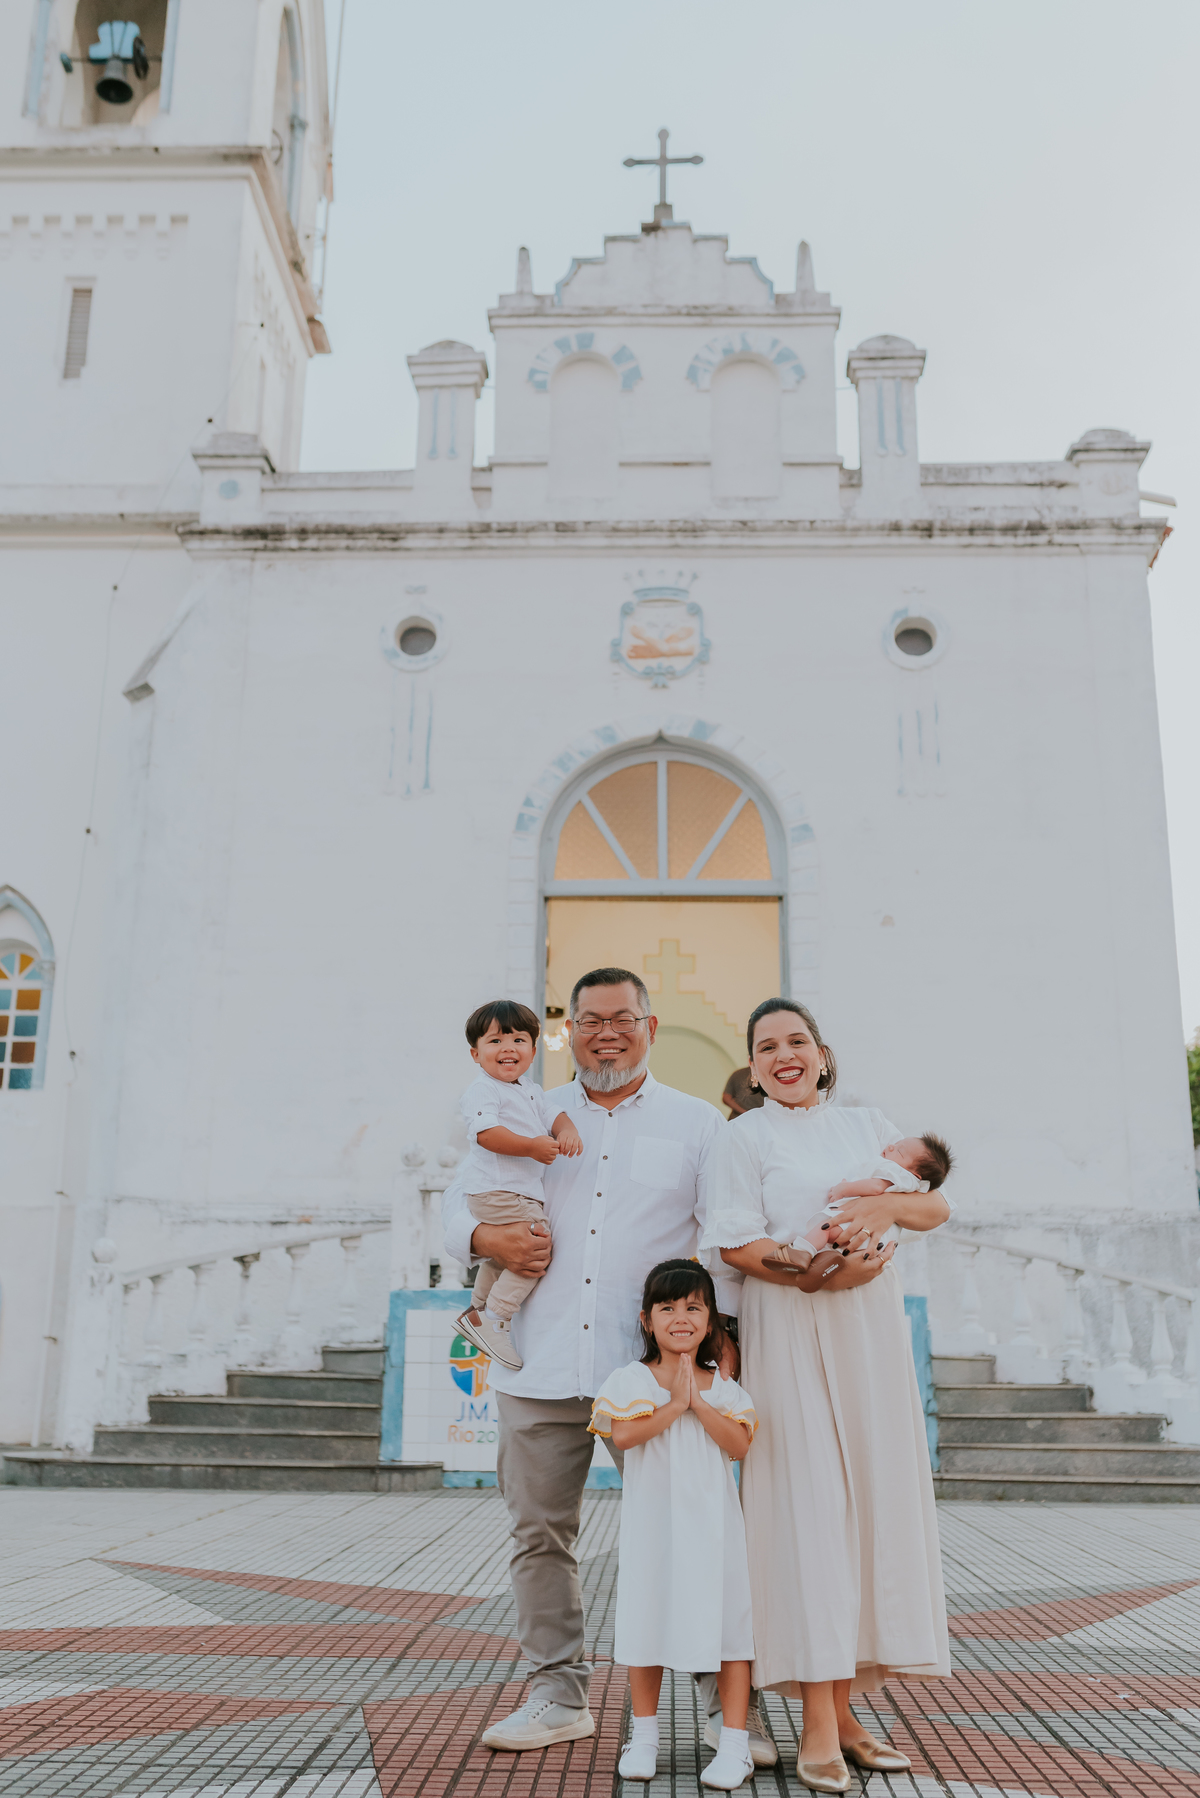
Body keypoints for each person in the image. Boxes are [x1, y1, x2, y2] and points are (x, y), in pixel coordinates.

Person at [440, 968, 777, 1766]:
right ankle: (558, 1694)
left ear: (650, 1028)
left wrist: (723, 1333)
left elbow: (721, 1236)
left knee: (694, 1527)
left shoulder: (699, 1125)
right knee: (538, 1536)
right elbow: (458, 1206)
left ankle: (719, 1702)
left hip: (653, 1375)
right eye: (589, 1021)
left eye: (622, 1018)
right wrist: (487, 1242)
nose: (605, 1033)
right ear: (570, 1032)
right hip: (539, 1363)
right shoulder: (529, 1109)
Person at [701, 999, 952, 1796]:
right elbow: (734, 1241)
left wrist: (881, 1211)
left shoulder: (869, 1123)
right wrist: (813, 1268)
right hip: (791, 1327)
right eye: (767, 1046)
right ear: (752, 1064)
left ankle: (844, 1715)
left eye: (797, 1041)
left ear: (823, 1053)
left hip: (869, 1338)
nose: (784, 1054)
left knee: (866, 1515)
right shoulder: (742, 1137)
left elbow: (934, 1204)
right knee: (807, 1516)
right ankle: (815, 1722)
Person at [590, 1260, 757, 1791]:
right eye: (667, 1308)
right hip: (654, 1530)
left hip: (716, 1531)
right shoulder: (631, 1379)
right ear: (646, 1319)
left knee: (732, 1631)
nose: (680, 1317)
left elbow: (739, 1444)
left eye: (693, 1307)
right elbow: (624, 1437)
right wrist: (675, 1403)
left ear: (711, 1321)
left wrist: (699, 1403)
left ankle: (734, 1744)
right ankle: (643, 1737)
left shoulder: (723, 1386)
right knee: (645, 1626)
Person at [453, 999, 583, 1370]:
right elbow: (487, 1135)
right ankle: (495, 1318)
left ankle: (477, 1310)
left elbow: (552, 1113)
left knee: (504, 1255)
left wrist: (566, 1129)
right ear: (476, 1054)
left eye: (518, 1039)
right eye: (495, 1041)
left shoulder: (528, 1089)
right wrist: (531, 1146)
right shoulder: (483, 1091)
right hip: (498, 1190)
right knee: (535, 1246)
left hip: (511, 1193)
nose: (508, 1048)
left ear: (533, 1049)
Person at [762, 1131, 954, 1285]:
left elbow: (876, 1186)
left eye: (900, 1151)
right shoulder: (914, 1186)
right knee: (832, 1249)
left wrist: (845, 1188)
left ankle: (800, 1252)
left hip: (855, 1227)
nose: (890, 1146)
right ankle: (819, 1271)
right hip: (871, 1240)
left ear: (916, 1174)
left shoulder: (898, 1173)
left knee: (825, 1230)